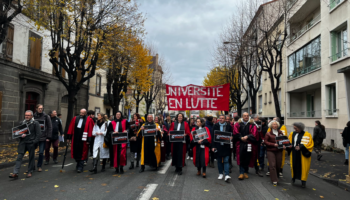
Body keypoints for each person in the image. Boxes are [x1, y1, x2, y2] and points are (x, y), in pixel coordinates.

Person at [9, 110, 41, 179]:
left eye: (28, 115)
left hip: (31, 143)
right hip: (22, 143)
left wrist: (34, 142)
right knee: (19, 157)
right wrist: (21, 135)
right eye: (26, 115)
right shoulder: (22, 123)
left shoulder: (35, 123)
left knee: (31, 158)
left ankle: (30, 171)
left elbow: (38, 134)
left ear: (32, 116)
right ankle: (15, 173)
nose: (26, 116)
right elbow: (17, 133)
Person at [287, 122, 314, 188]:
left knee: (303, 168)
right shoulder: (292, 134)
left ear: (300, 128)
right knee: (294, 166)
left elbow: (310, 144)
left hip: (302, 154)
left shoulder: (307, 135)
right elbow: (289, 142)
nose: (295, 129)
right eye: (294, 128)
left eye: (296, 128)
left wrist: (301, 147)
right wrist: (288, 146)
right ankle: (293, 178)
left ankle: (303, 182)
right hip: (294, 153)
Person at [233, 112, 258, 180]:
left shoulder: (252, 125)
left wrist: (247, 136)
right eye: (245, 116)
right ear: (242, 116)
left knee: (248, 157)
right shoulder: (238, 124)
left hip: (249, 143)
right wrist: (241, 138)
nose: (246, 117)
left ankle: (246, 172)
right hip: (240, 143)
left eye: (247, 116)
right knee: (241, 157)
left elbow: (254, 134)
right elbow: (235, 132)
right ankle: (241, 172)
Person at [212, 115, 233, 182]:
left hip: (226, 145)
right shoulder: (215, 126)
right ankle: (220, 173)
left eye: (222, 118)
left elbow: (232, 134)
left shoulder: (229, 126)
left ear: (225, 119)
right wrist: (213, 146)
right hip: (218, 146)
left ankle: (226, 174)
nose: (221, 119)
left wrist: (231, 137)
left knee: (226, 160)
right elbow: (213, 136)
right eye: (220, 118)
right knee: (219, 160)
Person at [264, 120, 285, 186]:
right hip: (271, 150)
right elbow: (266, 142)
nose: (275, 125)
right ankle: (274, 179)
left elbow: (284, 140)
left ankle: (276, 176)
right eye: (273, 124)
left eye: (276, 124)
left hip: (279, 150)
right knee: (272, 165)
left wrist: (285, 145)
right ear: (271, 126)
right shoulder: (268, 133)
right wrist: (273, 144)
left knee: (278, 165)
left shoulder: (280, 133)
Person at [33, 104, 52, 172]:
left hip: (43, 137)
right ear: (36, 109)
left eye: (41, 108)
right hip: (35, 137)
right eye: (39, 108)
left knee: (41, 152)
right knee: (32, 152)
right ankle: (32, 166)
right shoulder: (33, 116)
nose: (40, 109)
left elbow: (50, 127)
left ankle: (39, 166)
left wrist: (48, 137)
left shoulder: (46, 116)